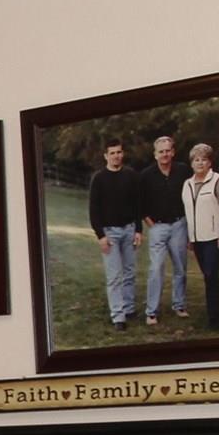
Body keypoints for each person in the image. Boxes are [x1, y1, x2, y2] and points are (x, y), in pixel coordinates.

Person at [85, 135, 149, 327]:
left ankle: (129, 309)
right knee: (114, 276)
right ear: (106, 156)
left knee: (129, 272)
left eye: (119, 152)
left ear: (123, 154)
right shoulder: (98, 179)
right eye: (112, 153)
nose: (116, 156)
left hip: (129, 229)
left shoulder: (131, 176)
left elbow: (138, 205)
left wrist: (138, 230)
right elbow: (93, 210)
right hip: (110, 233)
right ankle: (118, 316)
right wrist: (101, 236)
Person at [181, 141, 219, 329]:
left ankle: (215, 318)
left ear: (210, 162)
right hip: (197, 239)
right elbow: (188, 212)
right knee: (207, 275)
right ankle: (217, 311)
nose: (200, 163)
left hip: (214, 237)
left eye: (204, 160)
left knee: (211, 274)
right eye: (196, 160)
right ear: (191, 163)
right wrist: (190, 237)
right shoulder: (187, 184)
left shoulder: (218, 181)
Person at [137, 134, 190, 325]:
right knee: (156, 268)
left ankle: (180, 304)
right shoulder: (146, 176)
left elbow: (191, 196)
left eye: (168, 150)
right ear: (155, 154)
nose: (165, 154)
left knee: (180, 268)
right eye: (161, 151)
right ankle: (152, 311)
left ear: (173, 152)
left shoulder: (183, 170)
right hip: (157, 226)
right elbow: (140, 203)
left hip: (179, 225)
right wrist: (149, 222)